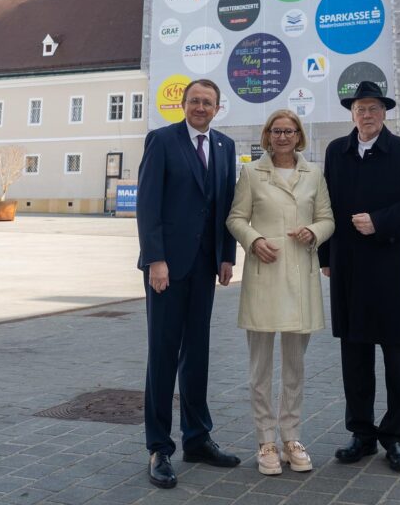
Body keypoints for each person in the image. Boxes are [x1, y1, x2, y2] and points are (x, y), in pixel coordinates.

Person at [318, 80, 400, 473]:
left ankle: (396, 438)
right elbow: (325, 205)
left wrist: (379, 222)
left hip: (393, 270)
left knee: (398, 358)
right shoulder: (337, 151)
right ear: (352, 113)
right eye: (360, 108)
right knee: (355, 357)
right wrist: (325, 257)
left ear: (384, 113)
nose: (366, 115)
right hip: (349, 269)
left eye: (373, 108)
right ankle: (361, 435)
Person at [136, 79, 240, 489]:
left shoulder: (224, 147)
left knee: (197, 353)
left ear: (218, 108)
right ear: (183, 104)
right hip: (167, 268)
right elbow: (148, 205)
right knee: (163, 353)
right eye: (195, 101)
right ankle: (159, 447)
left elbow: (225, 204)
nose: (201, 107)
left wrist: (227, 255)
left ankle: (197, 438)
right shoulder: (162, 141)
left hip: (204, 268)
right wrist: (155, 259)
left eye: (208, 102)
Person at [227, 110, 334, 475]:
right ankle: (265, 441)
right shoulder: (251, 173)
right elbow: (235, 218)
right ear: (267, 135)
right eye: (277, 131)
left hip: (300, 278)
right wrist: (253, 239)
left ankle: (291, 437)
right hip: (265, 274)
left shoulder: (314, 173)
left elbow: (328, 217)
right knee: (260, 367)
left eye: (289, 131)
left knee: (295, 366)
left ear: (299, 135)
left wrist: (315, 232)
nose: (283, 136)